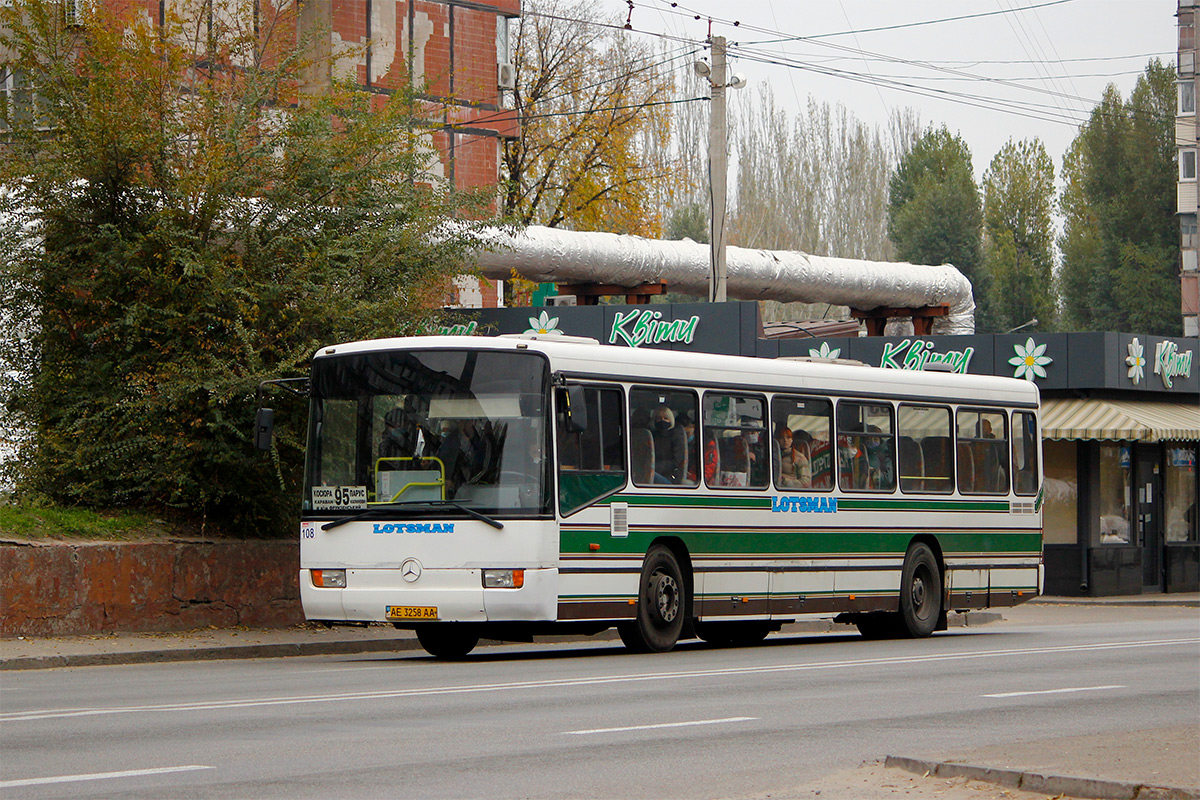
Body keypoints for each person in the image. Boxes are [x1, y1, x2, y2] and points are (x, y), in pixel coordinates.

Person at [650, 404, 688, 484]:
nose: (662, 420)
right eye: (658, 418)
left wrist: (653, 468)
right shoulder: (651, 437)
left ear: (671, 420)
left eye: (665, 418)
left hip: (671, 477)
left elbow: (676, 461)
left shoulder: (676, 435)